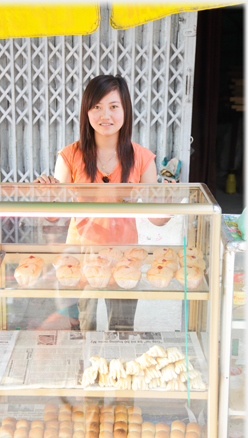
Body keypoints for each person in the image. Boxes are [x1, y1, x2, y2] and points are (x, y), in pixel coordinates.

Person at [34, 74, 170, 331]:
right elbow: (53, 215)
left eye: (113, 106)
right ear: (87, 111)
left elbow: (158, 218)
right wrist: (46, 195)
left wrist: (168, 205)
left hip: (126, 257)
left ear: (125, 110)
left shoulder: (142, 158)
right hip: (82, 257)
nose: (104, 115)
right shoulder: (69, 156)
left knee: (122, 328)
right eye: (96, 107)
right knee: (86, 327)